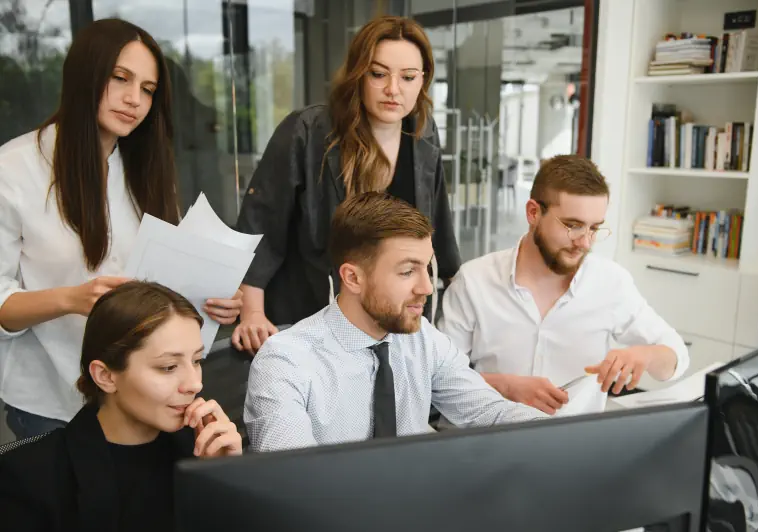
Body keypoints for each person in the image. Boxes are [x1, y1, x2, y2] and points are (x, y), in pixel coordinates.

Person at [0, 18, 242, 439]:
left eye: (148, 90)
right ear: (86, 76)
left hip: (141, 401)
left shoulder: (147, 172)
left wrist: (213, 300)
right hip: (50, 401)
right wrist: (72, 299)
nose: (134, 100)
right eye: (120, 79)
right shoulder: (14, 168)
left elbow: (168, 280)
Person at [244, 192, 546, 452]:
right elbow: (293, 483)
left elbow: (489, 413)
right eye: (407, 272)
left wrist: (573, 440)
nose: (427, 287)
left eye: (427, 268)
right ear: (352, 278)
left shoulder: (423, 339)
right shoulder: (284, 362)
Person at [232, 15, 460, 354]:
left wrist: (457, 287)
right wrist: (252, 312)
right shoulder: (309, 130)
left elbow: (436, 216)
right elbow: (263, 221)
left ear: (423, 81)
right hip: (316, 312)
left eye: (408, 77)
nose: (393, 90)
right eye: (378, 74)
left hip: (392, 318)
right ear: (358, 74)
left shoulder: (422, 134)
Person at [438, 155, 689, 417]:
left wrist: (646, 356)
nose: (585, 242)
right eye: (573, 226)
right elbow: (439, 379)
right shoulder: (474, 281)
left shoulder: (611, 283)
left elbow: (677, 357)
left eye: (594, 228)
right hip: (489, 446)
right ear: (533, 213)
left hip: (575, 449)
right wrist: (505, 387)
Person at [0, 281, 242, 532]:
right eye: (168, 367)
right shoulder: (30, 477)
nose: (195, 384)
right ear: (105, 376)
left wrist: (223, 479)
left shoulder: (201, 452)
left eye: (197, 360)